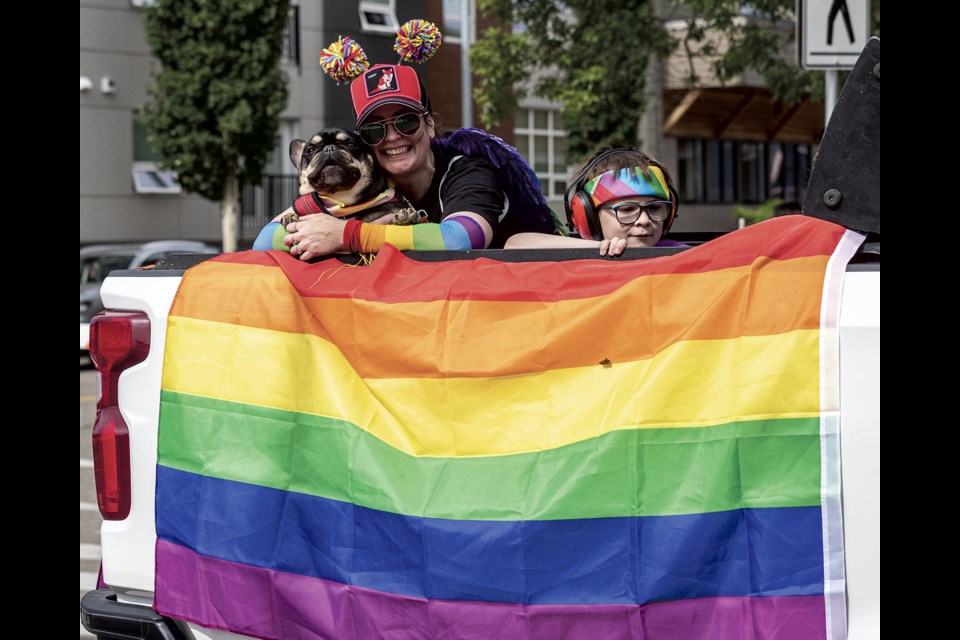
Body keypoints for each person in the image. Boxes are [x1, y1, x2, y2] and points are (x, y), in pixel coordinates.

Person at [284, 64, 552, 260]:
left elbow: (463, 239)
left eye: (406, 122)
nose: (392, 137)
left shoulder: (467, 171)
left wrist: (346, 235)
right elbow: (264, 240)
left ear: (430, 124)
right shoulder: (365, 184)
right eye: (375, 130)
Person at [505, 145, 686, 256]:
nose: (644, 220)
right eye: (627, 209)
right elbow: (515, 244)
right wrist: (597, 247)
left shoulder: (677, 252)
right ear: (587, 216)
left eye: (655, 208)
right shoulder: (586, 249)